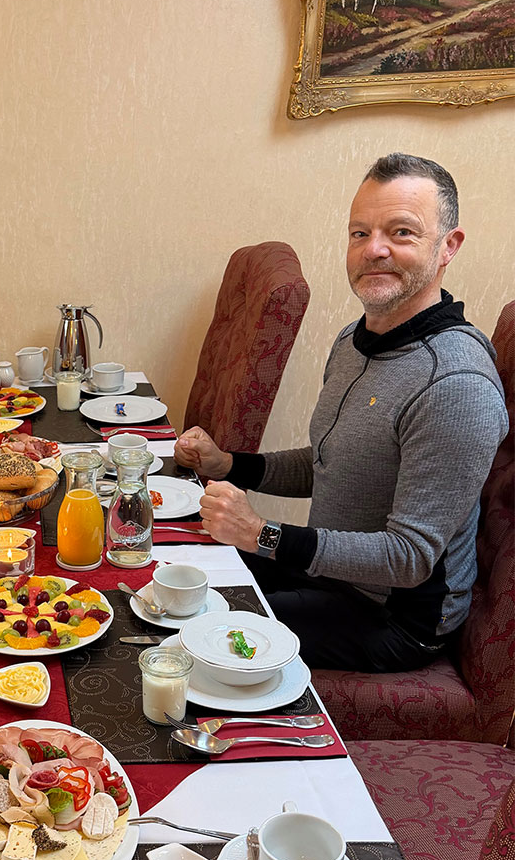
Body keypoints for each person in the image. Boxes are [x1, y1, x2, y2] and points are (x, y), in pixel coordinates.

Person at [176, 153, 507, 672]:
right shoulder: (354, 341)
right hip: (330, 577)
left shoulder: (456, 384)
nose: (374, 249)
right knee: (175, 573)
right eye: (360, 233)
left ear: (449, 246)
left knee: (188, 632)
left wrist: (262, 534)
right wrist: (228, 465)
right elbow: (333, 463)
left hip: (394, 619)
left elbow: (409, 558)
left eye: (401, 232)